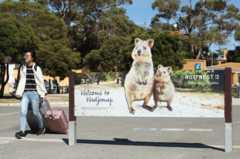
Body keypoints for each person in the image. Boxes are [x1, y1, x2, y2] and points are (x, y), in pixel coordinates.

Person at [14, 50, 47, 139]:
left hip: (34, 93)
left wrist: (43, 94)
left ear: (32, 58)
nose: (25, 57)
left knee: (35, 112)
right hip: (25, 93)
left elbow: (41, 82)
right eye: (25, 56)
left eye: (27, 56)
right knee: (23, 112)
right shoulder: (23, 67)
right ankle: (22, 131)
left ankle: (41, 127)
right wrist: (19, 92)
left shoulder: (37, 68)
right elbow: (22, 81)